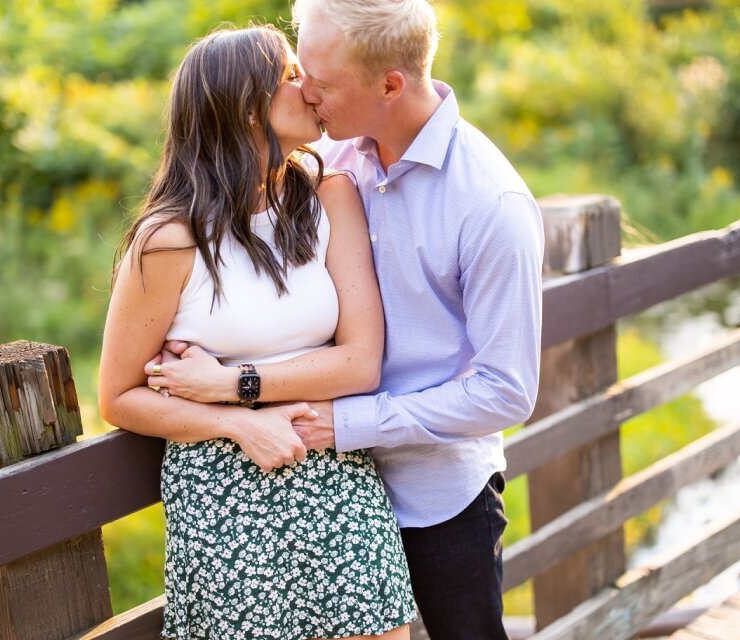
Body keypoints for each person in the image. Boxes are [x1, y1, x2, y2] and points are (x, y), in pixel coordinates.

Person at [151, 2, 545, 638]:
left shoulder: (491, 206)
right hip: (323, 485)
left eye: (320, 82)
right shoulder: (332, 157)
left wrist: (347, 423)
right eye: (301, 73)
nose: (304, 91)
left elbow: (507, 390)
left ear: (389, 83)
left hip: (436, 493)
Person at [98, 24, 416, 640]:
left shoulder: (331, 197)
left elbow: (360, 363)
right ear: (248, 110)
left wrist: (230, 385)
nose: (312, 87)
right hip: (225, 495)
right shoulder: (169, 241)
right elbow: (117, 396)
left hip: (334, 474)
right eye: (292, 77)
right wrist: (236, 420)